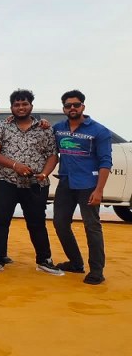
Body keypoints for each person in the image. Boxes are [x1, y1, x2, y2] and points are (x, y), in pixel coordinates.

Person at [0, 90, 62, 276]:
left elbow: (52, 155)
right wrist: (15, 165)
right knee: (0, 220)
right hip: (4, 181)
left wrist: (44, 174)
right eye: (17, 105)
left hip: (35, 183)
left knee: (37, 222)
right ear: (11, 107)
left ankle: (44, 260)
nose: (21, 107)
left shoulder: (45, 129)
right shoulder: (2, 127)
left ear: (31, 106)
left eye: (24, 104)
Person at [52, 90, 112, 285]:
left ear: (83, 106)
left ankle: (97, 271)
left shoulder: (99, 131)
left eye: (76, 105)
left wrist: (99, 190)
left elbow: (105, 162)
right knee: (60, 223)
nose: (72, 108)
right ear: (64, 108)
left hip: (88, 185)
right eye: (68, 105)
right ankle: (76, 263)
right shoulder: (58, 128)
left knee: (92, 227)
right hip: (66, 183)